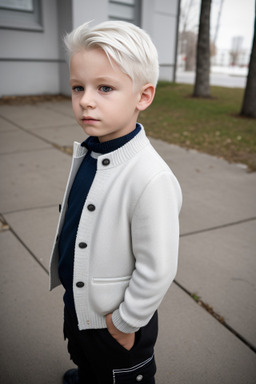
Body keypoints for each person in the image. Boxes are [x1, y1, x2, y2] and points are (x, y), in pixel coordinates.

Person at [49, 20, 182, 384]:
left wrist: (124, 322)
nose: (86, 100)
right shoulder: (93, 152)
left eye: (105, 87)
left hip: (115, 321)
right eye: (78, 87)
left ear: (143, 96)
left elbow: (158, 267)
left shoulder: (149, 177)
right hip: (82, 301)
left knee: (117, 373)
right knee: (83, 352)